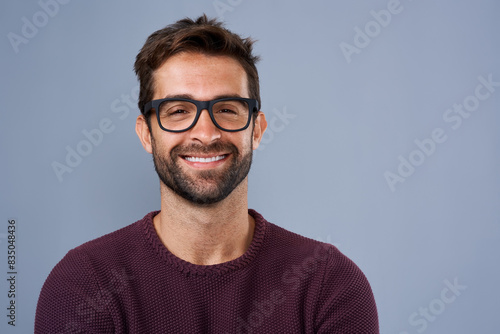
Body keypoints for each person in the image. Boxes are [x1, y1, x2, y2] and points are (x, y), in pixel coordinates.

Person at [35, 15, 379, 333]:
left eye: (227, 109)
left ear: (256, 130)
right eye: (179, 110)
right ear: (145, 133)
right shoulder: (84, 282)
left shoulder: (328, 283)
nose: (206, 133)